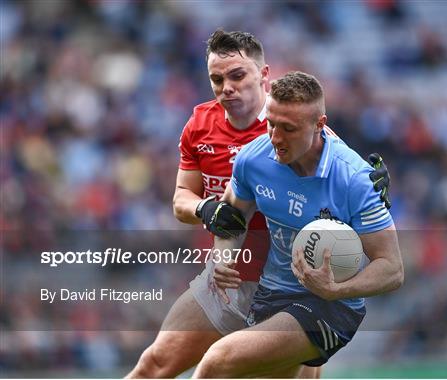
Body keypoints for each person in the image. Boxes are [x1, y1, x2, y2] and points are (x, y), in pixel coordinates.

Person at [127, 30, 391, 378]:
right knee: (153, 366)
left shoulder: (292, 127)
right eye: (217, 79)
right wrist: (205, 209)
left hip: (292, 288)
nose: (227, 87)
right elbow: (181, 200)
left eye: (237, 75)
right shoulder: (200, 125)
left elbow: (345, 173)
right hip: (230, 277)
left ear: (264, 76)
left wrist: (379, 184)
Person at [193, 71, 404, 378]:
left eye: (288, 129)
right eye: (271, 123)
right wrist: (224, 257)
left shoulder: (355, 179)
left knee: (217, 360)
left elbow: (393, 268)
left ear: (320, 125)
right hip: (271, 295)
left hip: (330, 306)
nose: (275, 137)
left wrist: (337, 289)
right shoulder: (252, 159)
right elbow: (230, 218)